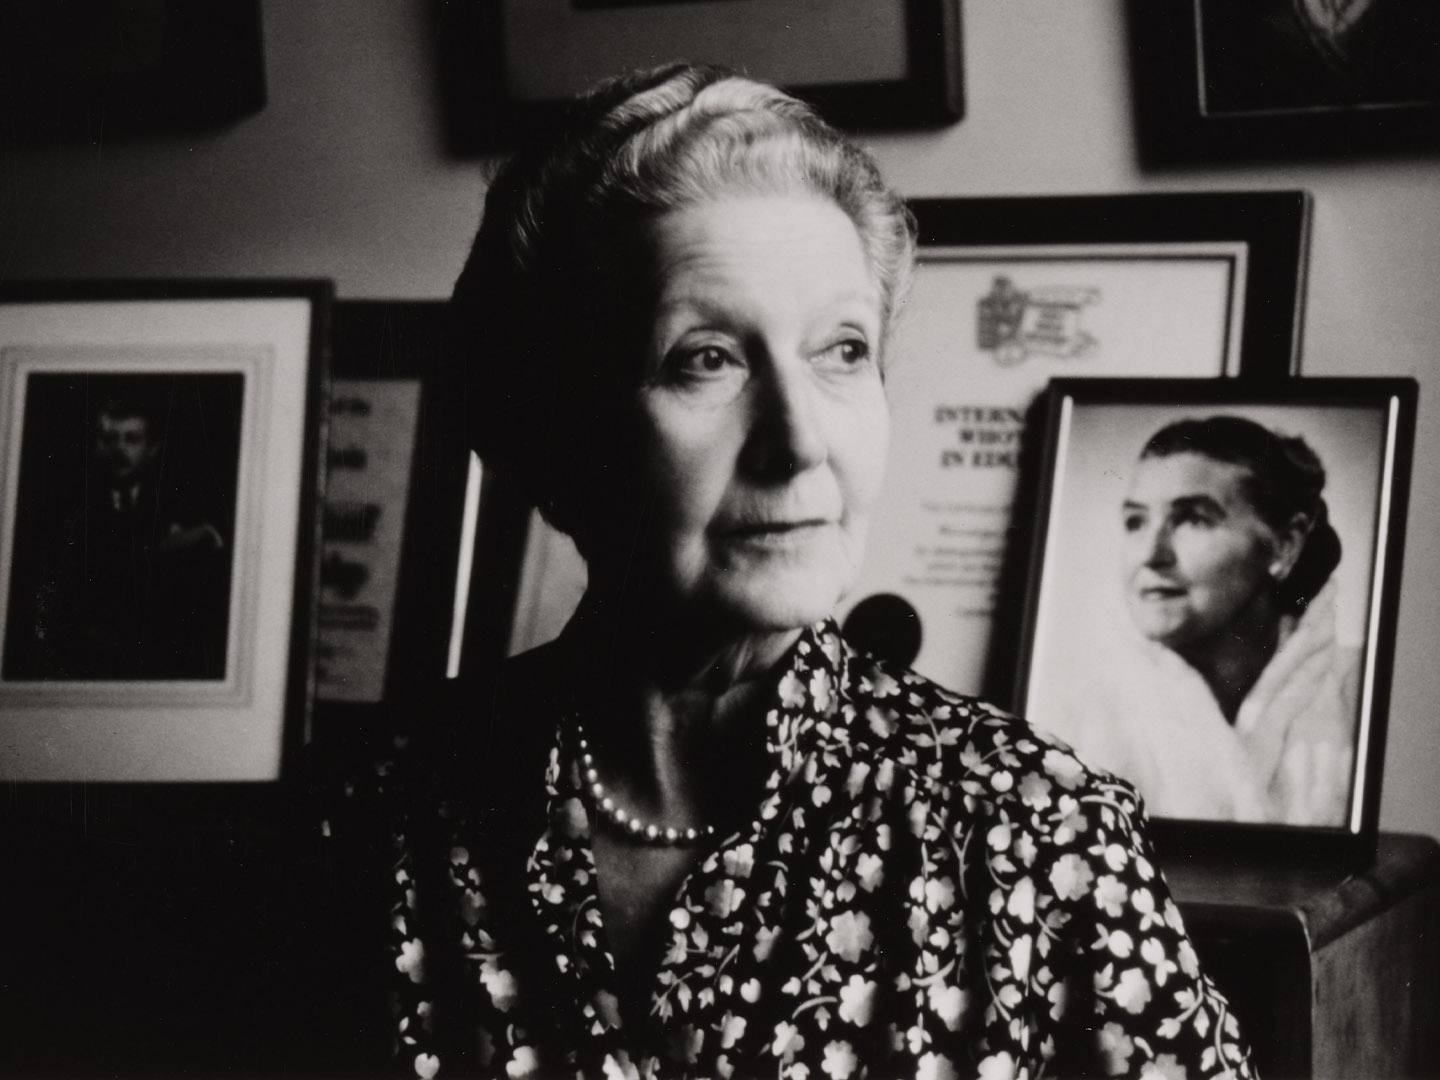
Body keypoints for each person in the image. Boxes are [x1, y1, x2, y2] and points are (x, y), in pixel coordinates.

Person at [379, 65, 1255, 1078]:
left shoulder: (1043, 837)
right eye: (707, 357)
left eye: (843, 351)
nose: (798, 441)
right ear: (556, 434)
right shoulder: (387, 812)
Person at [1040, 416, 1358, 827]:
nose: (1152, 554)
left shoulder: (1357, 691)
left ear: (1285, 544)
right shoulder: (1066, 707)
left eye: (1193, 518)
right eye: (1136, 522)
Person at [9, 393, 230, 680]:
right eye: (110, 438)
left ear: (152, 447)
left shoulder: (180, 513)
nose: (119, 449)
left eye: (131, 439)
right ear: (97, 445)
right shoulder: (74, 516)